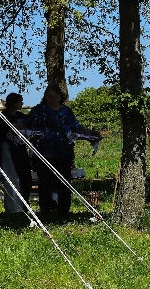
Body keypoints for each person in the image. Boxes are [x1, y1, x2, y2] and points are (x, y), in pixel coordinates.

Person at [27, 85, 100, 218]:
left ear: (60, 97)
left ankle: (63, 211)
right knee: (45, 184)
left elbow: (76, 128)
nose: (53, 99)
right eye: (50, 96)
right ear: (45, 97)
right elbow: (28, 127)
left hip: (64, 153)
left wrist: (91, 133)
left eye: (55, 96)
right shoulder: (38, 111)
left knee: (65, 183)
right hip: (43, 154)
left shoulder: (66, 112)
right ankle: (45, 211)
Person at [0, 92, 31, 212]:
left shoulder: (23, 117)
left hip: (20, 150)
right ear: (13, 103)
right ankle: (13, 207)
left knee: (25, 178)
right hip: (7, 150)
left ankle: (25, 205)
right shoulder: (3, 118)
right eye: (19, 101)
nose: (22, 103)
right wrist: (10, 132)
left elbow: (30, 130)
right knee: (11, 178)